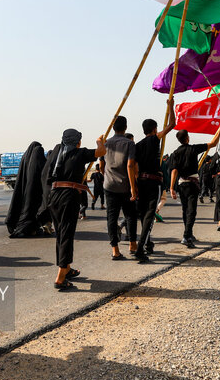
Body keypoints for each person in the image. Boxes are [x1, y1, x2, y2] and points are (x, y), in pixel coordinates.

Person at [45, 129, 105, 291]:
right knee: (66, 235)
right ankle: (60, 277)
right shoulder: (79, 153)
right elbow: (101, 152)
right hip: (68, 197)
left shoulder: (56, 151)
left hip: (54, 196)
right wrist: (100, 141)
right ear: (77, 142)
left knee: (61, 234)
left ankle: (67, 268)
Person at [133, 100, 176, 262]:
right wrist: (170, 105)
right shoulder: (154, 139)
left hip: (141, 182)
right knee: (150, 215)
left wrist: (135, 186)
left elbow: (134, 166)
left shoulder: (138, 145)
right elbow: (172, 124)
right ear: (154, 129)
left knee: (145, 214)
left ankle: (148, 244)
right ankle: (140, 249)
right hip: (154, 182)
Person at [169, 128, 220, 248]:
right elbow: (213, 144)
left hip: (181, 185)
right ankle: (186, 236)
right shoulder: (193, 148)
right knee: (191, 211)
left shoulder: (175, 152)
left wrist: (172, 187)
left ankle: (189, 234)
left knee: (185, 210)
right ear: (187, 138)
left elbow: (174, 170)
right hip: (192, 184)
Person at [101, 116, 137, 260]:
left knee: (112, 217)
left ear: (113, 127)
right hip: (125, 185)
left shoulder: (106, 143)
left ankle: (115, 250)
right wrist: (133, 188)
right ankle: (132, 245)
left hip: (109, 185)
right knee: (130, 215)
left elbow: (102, 165)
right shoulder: (129, 143)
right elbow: (130, 165)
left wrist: (106, 176)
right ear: (126, 127)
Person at [6, 141, 47, 238]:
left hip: (23, 187)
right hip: (34, 189)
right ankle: (29, 228)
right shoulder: (37, 154)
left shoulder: (25, 157)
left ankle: (27, 227)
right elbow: (43, 169)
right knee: (32, 208)